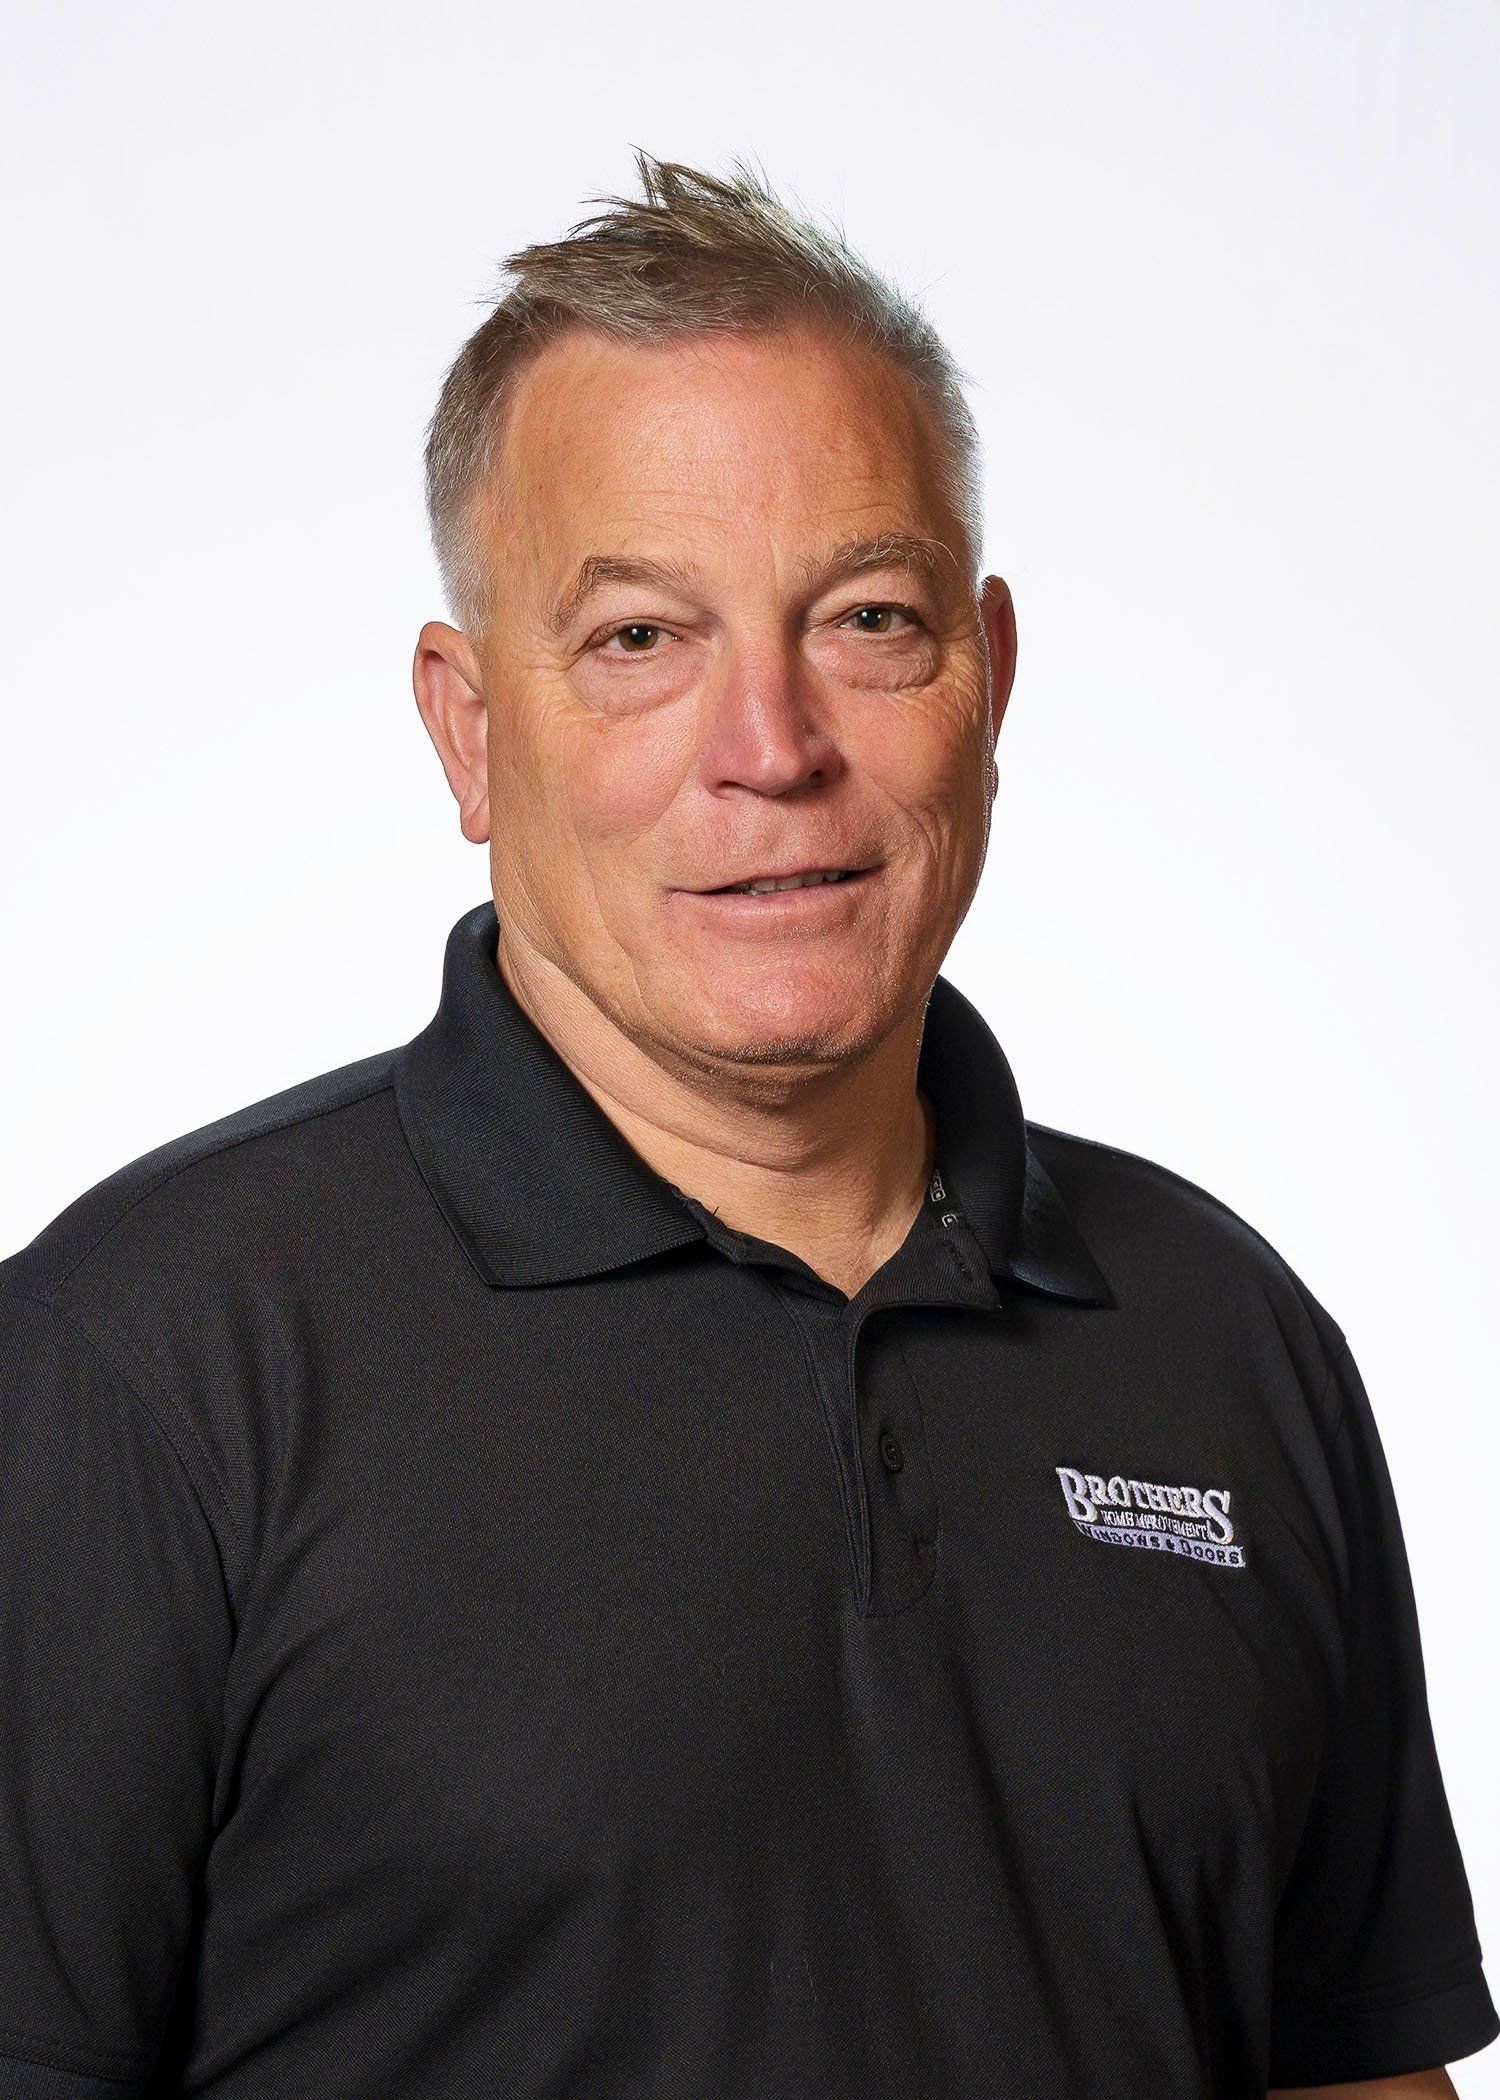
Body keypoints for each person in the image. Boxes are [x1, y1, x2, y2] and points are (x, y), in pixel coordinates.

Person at [0, 149, 1493, 2100]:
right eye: (639, 640)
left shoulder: (1228, 1345)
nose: (770, 746)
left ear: (990, 676)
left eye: (868, 620)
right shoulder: (140, 1371)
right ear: (468, 729)